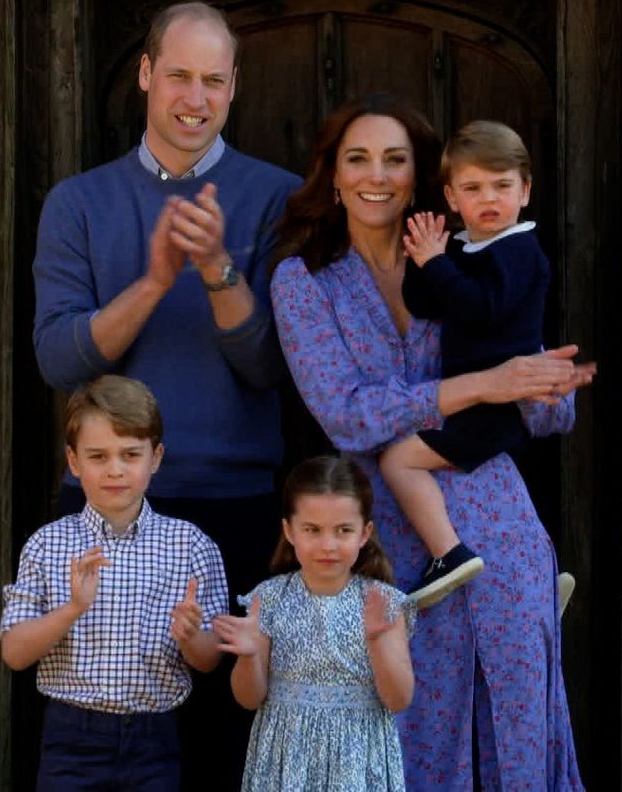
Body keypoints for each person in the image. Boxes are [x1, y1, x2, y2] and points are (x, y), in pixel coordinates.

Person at [269, 93, 593, 790]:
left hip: (500, 523)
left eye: (395, 159)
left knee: (515, 715)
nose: (375, 174)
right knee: (406, 732)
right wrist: (482, 385)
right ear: (334, 175)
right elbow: (347, 415)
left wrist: (545, 387)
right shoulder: (304, 282)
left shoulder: (473, 257)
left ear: (417, 178)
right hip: (387, 535)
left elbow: (541, 409)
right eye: (358, 159)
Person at [30, 0, 301, 787]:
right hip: (107, 510)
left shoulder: (276, 198)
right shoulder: (78, 203)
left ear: (235, 87)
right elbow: (57, 358)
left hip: (237, 507)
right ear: (146, 74)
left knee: (224, 742)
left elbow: (271, 367)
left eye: (213, 80)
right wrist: (153, 281)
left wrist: (217, 269)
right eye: (178, 74)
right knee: (110, 735)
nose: (195, 97)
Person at [0, 376, 227, 790]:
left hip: (153, 739)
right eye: (98, 456)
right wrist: (71, 609)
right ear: (73, 461)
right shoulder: (48, 544)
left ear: (155, 457)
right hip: (71, 738)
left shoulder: (191, 545)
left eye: (130, 454)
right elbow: (14, 653)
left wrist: (192, 637)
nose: (116, 469)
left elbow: (210, 660)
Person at [381, 120, 555, 609]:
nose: (489, 199)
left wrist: (439, 264)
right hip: (472, 400)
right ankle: (531, 583)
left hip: (494, 407)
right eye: (473, 188)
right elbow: (425, 303)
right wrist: (424, 257)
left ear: (525, 191)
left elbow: (483, 310)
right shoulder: (467, 247)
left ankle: (448, 554)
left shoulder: (520, 250)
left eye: (502, 186)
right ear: (452, 199)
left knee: (398, 460)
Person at [213, 456, 415, 792]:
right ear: (289, 530)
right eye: (312, 530)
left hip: (357, 760)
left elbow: (399, 700)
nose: (328, 545)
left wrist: (378, 643)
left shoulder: (383, 603)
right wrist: (249, 656)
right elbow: (249, 699)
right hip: (285, 757)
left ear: (365, 533)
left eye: (343, 530)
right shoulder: (270, 598)